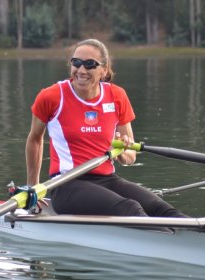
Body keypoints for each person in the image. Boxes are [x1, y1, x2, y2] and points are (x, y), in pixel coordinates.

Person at [25, 38, 186, 217]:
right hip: (66, 184)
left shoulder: (117, 96)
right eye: (76, 63)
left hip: (107, 179)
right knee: (131, 208)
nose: (81, 70)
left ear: (104, 70)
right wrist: (33, 187)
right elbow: (35, 139)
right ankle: (161, 241)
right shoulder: (51, 97)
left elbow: (130, 156)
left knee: (161, 208)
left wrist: (123, 152)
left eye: (89, 64)